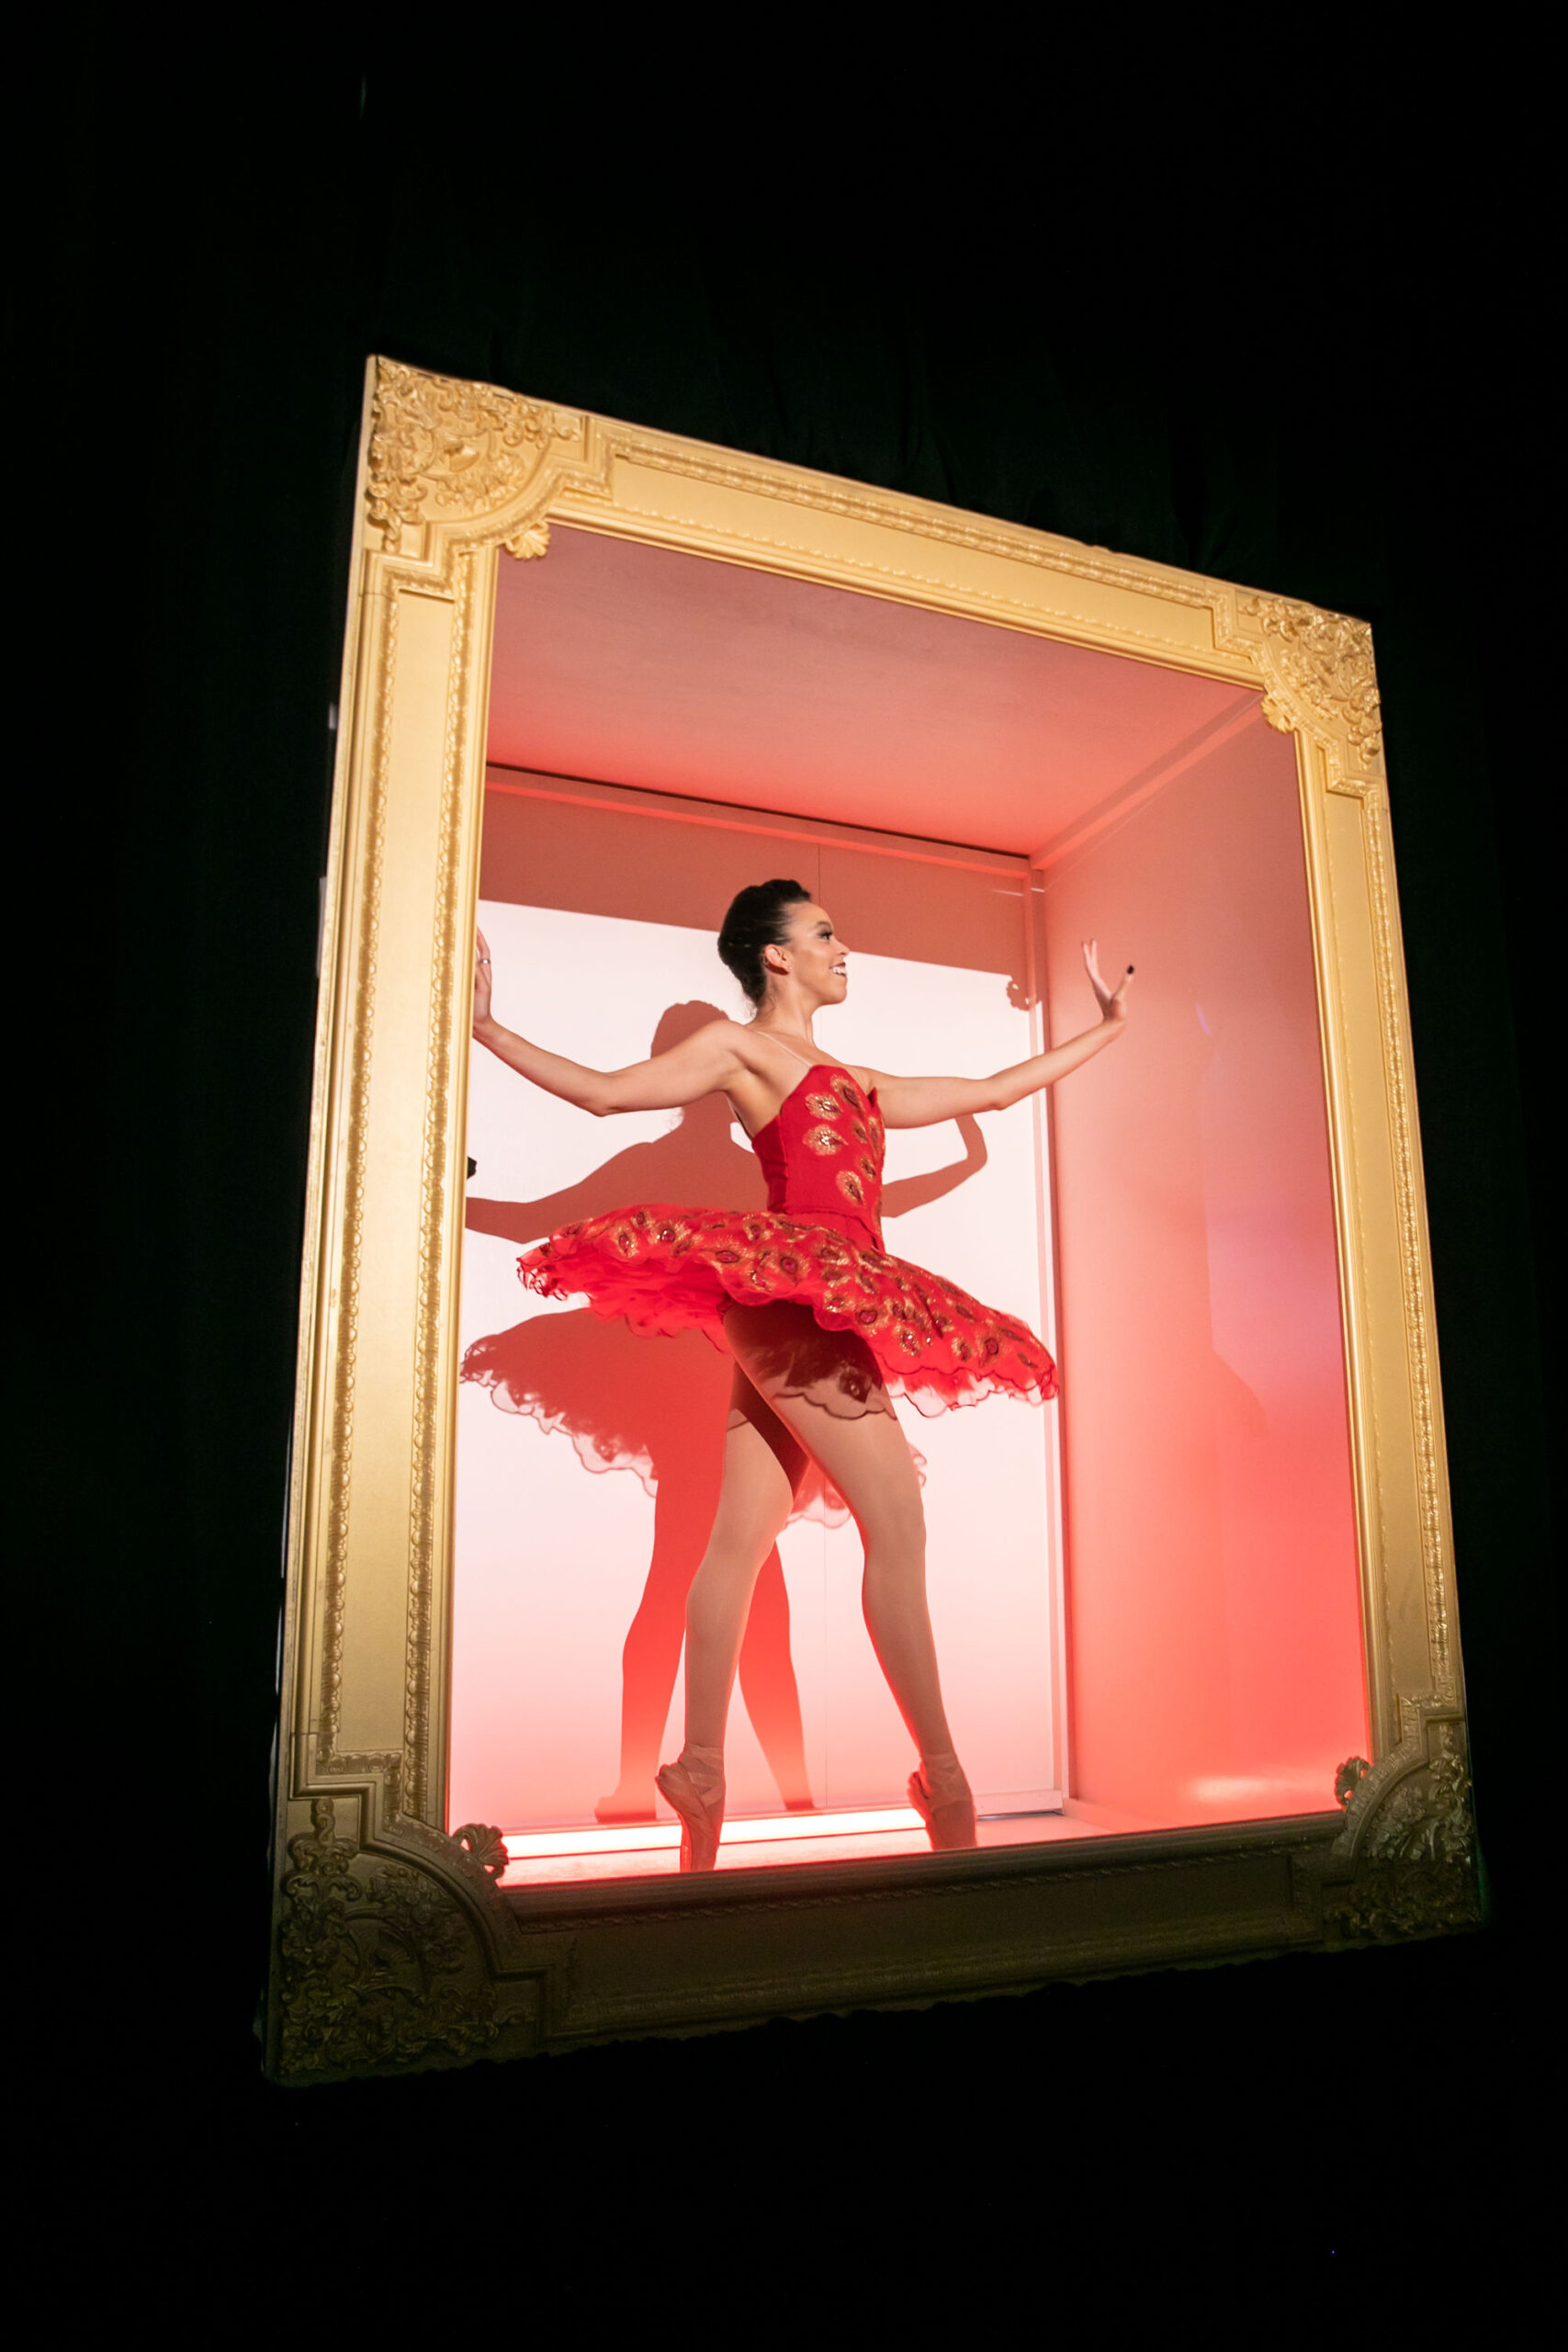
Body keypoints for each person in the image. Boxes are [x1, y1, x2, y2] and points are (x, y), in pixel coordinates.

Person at [471, 879, 1132, 1870]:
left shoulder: (857, 1078)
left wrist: (1108, 1031)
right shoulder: (744, 1052)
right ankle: (942, 1774)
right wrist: (486, 1029)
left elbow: (992, 1088)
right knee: (897, 1521)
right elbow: (608, 1092)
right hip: (792, 1293)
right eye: (824, 933)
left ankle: (698, 1768)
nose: (842, 946)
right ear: (774, 956)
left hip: (833, 1295)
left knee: (737, 1538)